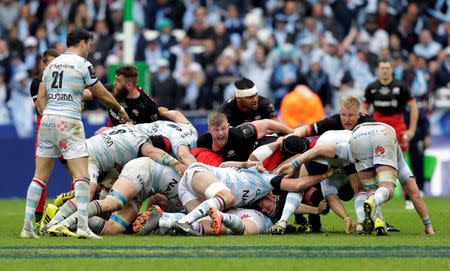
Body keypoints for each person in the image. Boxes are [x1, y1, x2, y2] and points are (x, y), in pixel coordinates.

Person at [20, 28, 129, 239]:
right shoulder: (83, 65)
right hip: (68, 121)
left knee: (39, 177)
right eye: (89, 44)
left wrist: (48, 114)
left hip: (48, 121)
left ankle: (27, 227)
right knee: (82, 176)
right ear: (81, 42)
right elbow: (102, 95)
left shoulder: (52, 64)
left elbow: (41, 97)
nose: (90, 49)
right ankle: (82, 226)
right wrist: (120, 109)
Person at [278, 122, 435, 235]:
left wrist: (295, 163)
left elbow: (332, 195)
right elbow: (415, 194)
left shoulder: (339, 165)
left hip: (357, 137)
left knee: (370, 189)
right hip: (381, 132)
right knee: (383, 188)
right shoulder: (352, 169)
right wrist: (428, 226)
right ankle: (364, 222)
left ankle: (367, 221)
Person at [172, 161, 332, 236]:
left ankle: (163, 220)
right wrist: (324, 175)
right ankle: (185, 221)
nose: (265, 208)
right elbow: (297, 185)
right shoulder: (268, 179)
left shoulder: (257, 207)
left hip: (189, 190)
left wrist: (315, 211)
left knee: (203, 222)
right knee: (227, 198)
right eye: (270, 206)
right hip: (199, 174)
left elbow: (294, 205)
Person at [45, 157, 185, 236]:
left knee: (113, 229)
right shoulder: (199, 202)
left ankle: (58, 215)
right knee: (111, 203)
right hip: (143, 170)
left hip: (146, 187)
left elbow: (158, 199)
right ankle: (62, 223)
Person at [362, 59, 418, 210]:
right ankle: (374, 196)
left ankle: (408, 199)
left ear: (391, 70)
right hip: (378, 129)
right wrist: (366, 126)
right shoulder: (371, 88)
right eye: (382, 68)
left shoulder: (401, 87)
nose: (385, 71)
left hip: (397, 129)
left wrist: (411, 130)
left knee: (402, 163)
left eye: (387, 68)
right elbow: (364, 109)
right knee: (375, 162)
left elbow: (413, 107)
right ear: (378, 70)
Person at [197, 112, 293, 162]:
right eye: (216, 130)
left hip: (259, 145)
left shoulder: (239, 135)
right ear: (209, 130)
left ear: (228, 126)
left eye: (223, 128)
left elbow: (267, 123)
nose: (221, 133)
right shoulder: (203, 142)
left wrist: (294, 132)